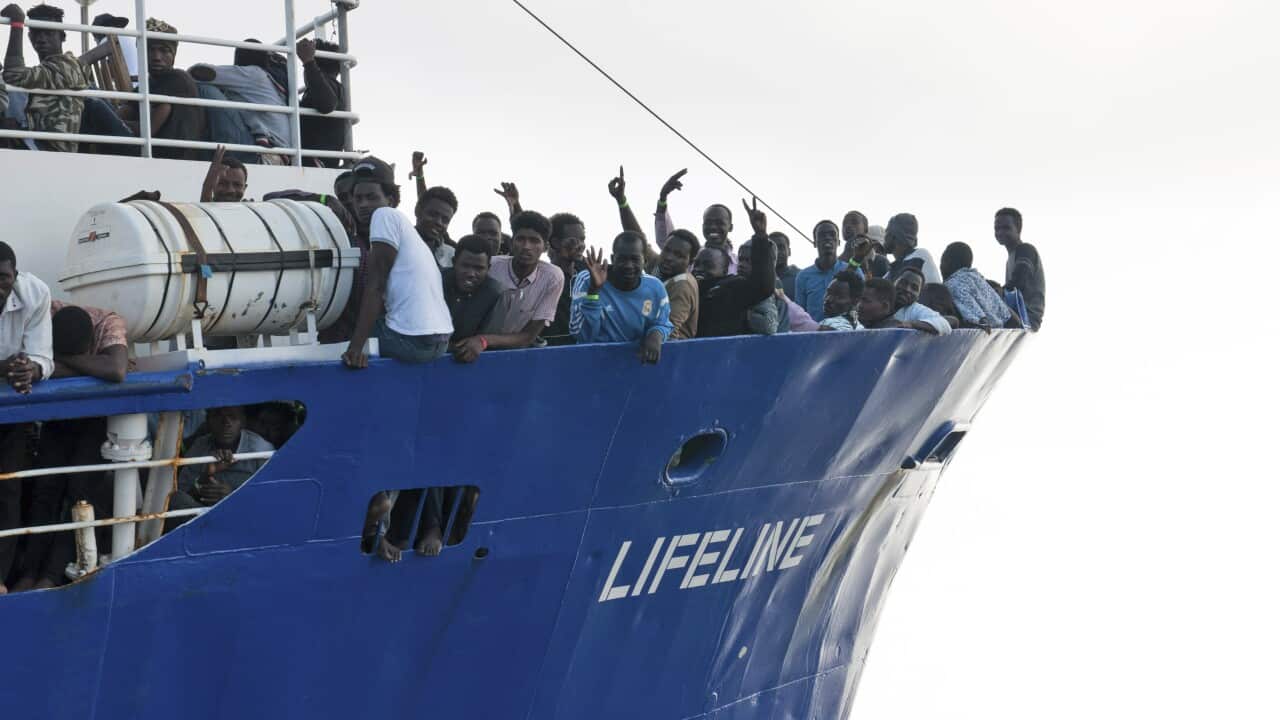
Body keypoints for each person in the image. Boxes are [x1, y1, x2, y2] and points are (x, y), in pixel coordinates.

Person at [11, 302, 127, 592]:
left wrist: (55, 362)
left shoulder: (108, 324)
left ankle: (51, 575)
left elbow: (115, 370)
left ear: (90, 344)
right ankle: (29, 574)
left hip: (96, 416)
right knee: (45, 491)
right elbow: (31, 370)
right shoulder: (43, 313)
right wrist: (87, 365)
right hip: (58, 414)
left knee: (80, 496)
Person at [341, 156, 453, 368]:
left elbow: (376, 285)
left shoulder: (384, 216)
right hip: (440, 342)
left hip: (413, 343)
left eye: (372, 197)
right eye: (358, 198)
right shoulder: (406, 227)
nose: (363, 205)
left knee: (341, 331)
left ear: (390, 200)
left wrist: (356, 348)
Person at [0, 241, 51, 593]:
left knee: (8, 489)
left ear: (14, 275)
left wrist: (28, 369)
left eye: (3, 278)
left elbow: (42, 356)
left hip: (11, 408)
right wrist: (6, 368)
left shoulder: (34, 293)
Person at [569, 232, 672, 363]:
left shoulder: (655, 287)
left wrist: (655, 335)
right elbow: (582, 336)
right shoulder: (587, 278)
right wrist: (594, 291)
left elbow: (663, 323)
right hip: (592, 362)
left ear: (645, 261)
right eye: (622, 259)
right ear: (613, 259)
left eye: (635, 259)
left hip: (634, 363)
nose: (628, 265)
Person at [1, 3, 88, 152]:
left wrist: (17, 24)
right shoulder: (45, 70)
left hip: (50, 150)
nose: (41, 39)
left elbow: (14, 75)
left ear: (62, 37)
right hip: (35, 142)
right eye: (36, 33)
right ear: (30, 36)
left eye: (48, 33)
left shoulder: (68, 66)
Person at [167, 406, 274, 524]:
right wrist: (204, 478)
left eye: (233, 417)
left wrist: (233, 497)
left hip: (244, 519)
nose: (226, 423)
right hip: (204, 518)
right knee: (175, 499)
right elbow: (183, 492)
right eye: (218, 416)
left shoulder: (261, 450)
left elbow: (271, 500)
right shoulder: (201, 445)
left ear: (243, 422)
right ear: (208, 421)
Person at [480, 210, 564, 349]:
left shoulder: (553, 277)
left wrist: (483, 340)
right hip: (475, 347)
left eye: (534, 241)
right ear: (512, 242)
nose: (526, 247)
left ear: (545, 247)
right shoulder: (491, 266)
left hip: (515, 350)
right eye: (520, 239)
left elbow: (529, 336)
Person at [190, 40, 292, 152]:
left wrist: (180, 79)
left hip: (260, 150)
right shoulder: (274, 85)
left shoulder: (253, 74)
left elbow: (200, 72)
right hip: (276, 151)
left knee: (204, 88)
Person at [694, 198, 776, 338]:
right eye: (696, 264)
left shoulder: (730, 288)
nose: (699, 269)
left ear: (725, 271)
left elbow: (763, 286)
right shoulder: (688, 288)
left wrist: (760, 236)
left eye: (708, 265)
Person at [654, 169, 739, 274]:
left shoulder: (739, 264)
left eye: (719, 223)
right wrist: (663, 198)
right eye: (708, 223)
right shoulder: (691, 256)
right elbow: (665, 239)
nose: (713, 227)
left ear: (730, 227)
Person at [443, 235, 501, 363]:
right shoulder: (435, 282)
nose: (471, 274)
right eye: (465, 266)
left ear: (488, 268)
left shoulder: (494, 293)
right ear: (454, 262)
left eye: (479, 268)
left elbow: (485, 339)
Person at [940, 241, 1015, 329]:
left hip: (982, 336)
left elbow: (979, 322)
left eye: (942, 261)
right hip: (1000, 334)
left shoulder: (953, 285)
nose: (940, 266)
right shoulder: (979, 280)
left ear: (948, 261)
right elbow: (1009, 318)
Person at [994, 207, 1045, 330]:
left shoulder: (1025, 250)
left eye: (1006, 228)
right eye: (997, 228)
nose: (1000, 232)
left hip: (1027, 318)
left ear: (1018, 229)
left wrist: (993, 292)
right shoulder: (1010, 259)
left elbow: (1018, 281)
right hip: (1018, 315)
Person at [298, 39, 346, 167]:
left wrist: (308, 63)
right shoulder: (336, 88)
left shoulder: (328, 85)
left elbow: (326, 104)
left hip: (315, 161)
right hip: (320, 160)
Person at [543, 212, 587, 345]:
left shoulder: (590, 272)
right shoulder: (542, 276)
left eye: (582, 239)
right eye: (573, 240)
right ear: (555, 242)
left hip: (585, 348)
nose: (580, 245)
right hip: (550, 349)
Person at [794, 220, 849, 323]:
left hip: (847, 331)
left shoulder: (853, 271)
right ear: (815, 243)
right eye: (822, 235)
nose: (827, 238)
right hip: (814, 332)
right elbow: (800, 314)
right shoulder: (803, 276)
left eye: (832, 234)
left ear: (838, 242)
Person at [654, 228, 700, 340]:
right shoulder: (663, 271)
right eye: (666, 250)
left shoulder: (682, 285)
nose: (669, 258)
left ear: (690, 262)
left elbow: (669, 330)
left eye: (679, 255)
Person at [884, 213, 942, 283]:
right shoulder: (889, 273)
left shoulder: (919, 257)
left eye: (887, 231)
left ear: (894, 236)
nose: (884, 236)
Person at [892, 267, 951, 335]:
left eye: (914, 288)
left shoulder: (916, 309)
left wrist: (913, 324)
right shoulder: (882, 295)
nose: (907, 289)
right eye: (903, 283)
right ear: (894, 282)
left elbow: (944, 324)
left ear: (919, 296)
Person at [737, 241, 779, 335]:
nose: (741, 264)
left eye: (748, 261)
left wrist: (743, 313)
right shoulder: (733, 284)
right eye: (740, 259)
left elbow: (768, 327)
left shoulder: (769, 293)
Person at [415, 185, 458, 269]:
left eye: (445, 220)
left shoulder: (452, 256)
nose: (438, 222)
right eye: (433, 214)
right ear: (417, 211)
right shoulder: (398, 243)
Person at [772, 232, 801, 301]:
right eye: (772, 248)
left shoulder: (801, 277)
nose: (777, 252)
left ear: (789, 251)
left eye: (781, 247)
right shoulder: (760, 279)